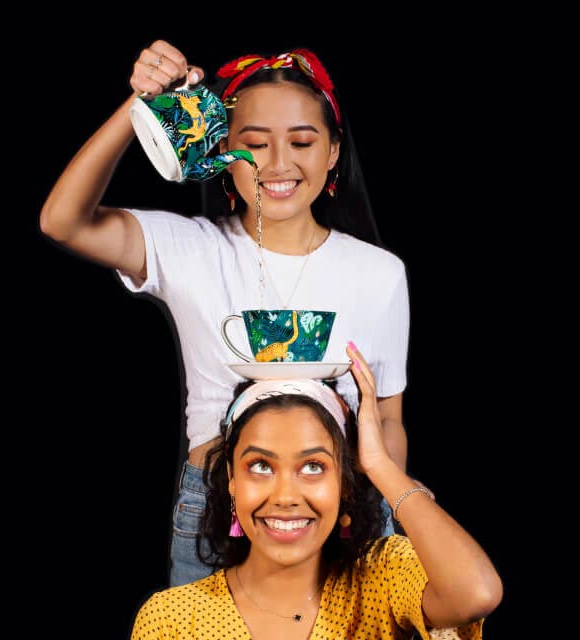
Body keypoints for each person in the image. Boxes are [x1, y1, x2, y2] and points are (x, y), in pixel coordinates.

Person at [38, 41, 410, 586]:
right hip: (217, 505)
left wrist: (385, 517)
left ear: (332, 152)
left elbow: (390, 418)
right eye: (254, 144)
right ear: (219, 153)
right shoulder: (192, 248)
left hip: (341, 508)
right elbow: (62, 220)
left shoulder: (380, 272)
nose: (278, 164)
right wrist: (142, 104)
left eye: (302, 142)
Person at [129, 344, 500, 639]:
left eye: (313, 466)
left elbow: (475, 594)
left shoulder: (383, 577)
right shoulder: (171, 621)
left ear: (343, 483)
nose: (286, 496)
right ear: (231, 479)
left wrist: (379, 465)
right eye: (260, 465)